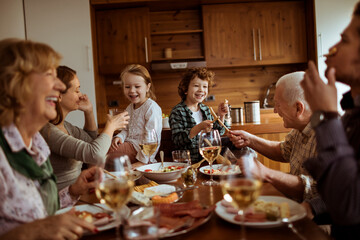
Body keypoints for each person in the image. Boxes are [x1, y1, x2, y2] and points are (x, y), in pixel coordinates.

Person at [0, 38, 98, 239]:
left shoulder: (36, 145)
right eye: (48, 75)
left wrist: (72, 191)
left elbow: (43, 214)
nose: (60, 86)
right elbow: (36, 227)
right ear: (16, 84)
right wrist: (32, 232)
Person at [228, 72, 325, 218]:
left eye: (278, 104)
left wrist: (267, 173)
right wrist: (250, 140)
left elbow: (318, 191)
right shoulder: (301, 127)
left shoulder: (328, 135)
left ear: (299, 108)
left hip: (317, 222)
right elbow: (283, 150)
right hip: (293, 205)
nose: (274, 110)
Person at [301, 2, 360, 238]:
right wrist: (312, 207)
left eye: (344, 41)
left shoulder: (337, 116)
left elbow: (349, 206)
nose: (331, 49)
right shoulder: (352, 112)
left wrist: (326, 115)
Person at [41, 66, 130, 190]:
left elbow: (91, 142)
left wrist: (89, 112)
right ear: (59, 95)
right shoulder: (48, 131)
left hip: (79, 193)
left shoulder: (66, 126)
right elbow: (94, 154)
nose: (81, 95)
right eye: (77, 91)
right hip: (62, 201)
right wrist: (111, 126)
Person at [169, 67, 229, 163]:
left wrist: (221, 115)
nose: (201, 90)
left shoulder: (205, 109)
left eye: (205, 87)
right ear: (185, 89)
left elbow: (219, 132)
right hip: (190, 162)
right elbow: (178, 140)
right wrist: (199, 127)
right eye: (196, 85)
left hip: (208, 158)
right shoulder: (177, 111)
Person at [109, 64, 162, 166]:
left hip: (140, 151)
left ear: (147, 87)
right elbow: (126, 129)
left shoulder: (151, 108)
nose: (132, 90)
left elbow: (151, 139)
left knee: (103, 154)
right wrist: (120, 137)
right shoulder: (130, 107)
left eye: (137, 86)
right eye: (127, 87)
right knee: (100, 150)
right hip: (129, 145)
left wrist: (142, 162)